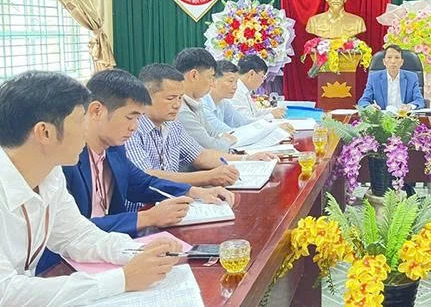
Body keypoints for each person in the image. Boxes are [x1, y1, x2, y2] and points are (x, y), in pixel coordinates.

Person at [0, 71, 182, 305]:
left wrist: (137, 251)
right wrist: (122, 280)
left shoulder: (51, 175)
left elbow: (76, 235)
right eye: (80, 121)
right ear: (45, 132)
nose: (86, 130)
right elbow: (5, 291)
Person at [37, 69, 236, 274]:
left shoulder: (114, 149)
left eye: (139, 119)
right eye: (129, 118)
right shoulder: (65, 159)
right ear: (96, 111)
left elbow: (141, 182)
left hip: (109, 250)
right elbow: (74, 231)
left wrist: (194, 192)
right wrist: (148, 218)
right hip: (64, 265)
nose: (134, 127)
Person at [125, 64, 273, 199]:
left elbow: (200, 155)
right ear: (146, 97)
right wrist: (208, 177)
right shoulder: (131, 129)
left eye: (180, 98)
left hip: (172, 200)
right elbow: (147, 176)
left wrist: (247, 159)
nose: (177, 104)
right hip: (143, 207)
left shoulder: (173, 125)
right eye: (170, 98)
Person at [201, 60, 293, 138]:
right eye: (230, 81)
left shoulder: (224, 103)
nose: (235, 87)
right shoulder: (203, 106)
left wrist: (274, 127)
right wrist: (272, 129)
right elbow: (230, 134)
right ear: (213, 81)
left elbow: (244, 122)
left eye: (236, 82)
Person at [357, 45, 425, 110]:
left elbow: (419, 100)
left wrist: (409, 106)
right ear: (384, 61)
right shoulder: (374, 78)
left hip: (404, 116)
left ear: (402, 62)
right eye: (389, 57)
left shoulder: (412, 77)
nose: (393, 61)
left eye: (397, 57)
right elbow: (363, 101)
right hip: (382, 116)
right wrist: (370, 107)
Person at [231, 54, 286, 120]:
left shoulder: (244, 89)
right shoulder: (235, 91)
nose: (262, 81)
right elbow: (245, 121)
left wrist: (273, 111)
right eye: (262, 76)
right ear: (251, 74)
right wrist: (271, 116)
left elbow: (255, 113)